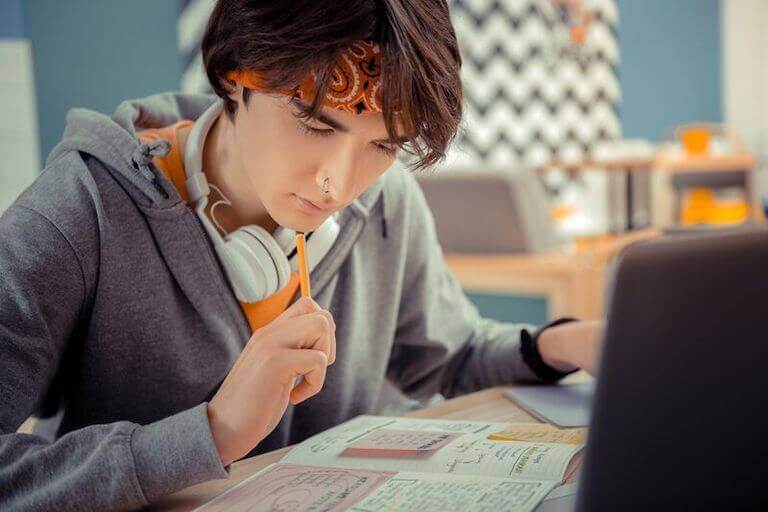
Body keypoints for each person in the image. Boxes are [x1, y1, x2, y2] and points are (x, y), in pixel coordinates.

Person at [0, 1, 602, 510]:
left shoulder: (389, 201)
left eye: (383, 144)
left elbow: (453, 352)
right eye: (316, 126)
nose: (337, 184)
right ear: (236, 73)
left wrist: (564, 344)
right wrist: (207, 434)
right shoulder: (81, 207)